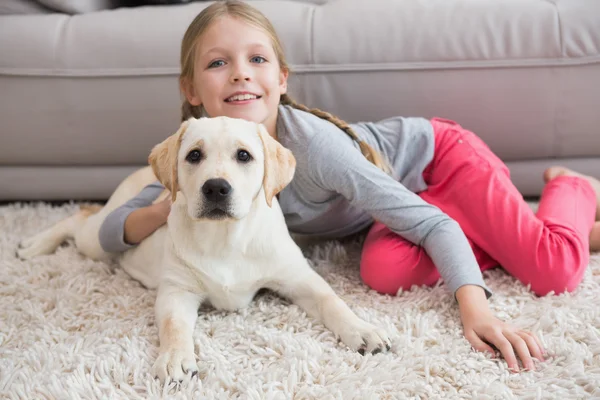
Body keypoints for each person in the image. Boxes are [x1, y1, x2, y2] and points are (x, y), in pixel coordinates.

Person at [98, 0, 600, 372]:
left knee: (552, 267)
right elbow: (112, 231)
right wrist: (172, 205)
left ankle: (572, 190)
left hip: (439, 163)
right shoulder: (198, 159)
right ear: (190, 89)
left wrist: (478, 313)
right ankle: (501, 232)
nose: (239, 76)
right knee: (381, 271)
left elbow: (429, 222)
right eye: (217, 63)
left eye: (256, 60)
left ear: (281, 79)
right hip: (393, 209)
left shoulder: (316, 149)